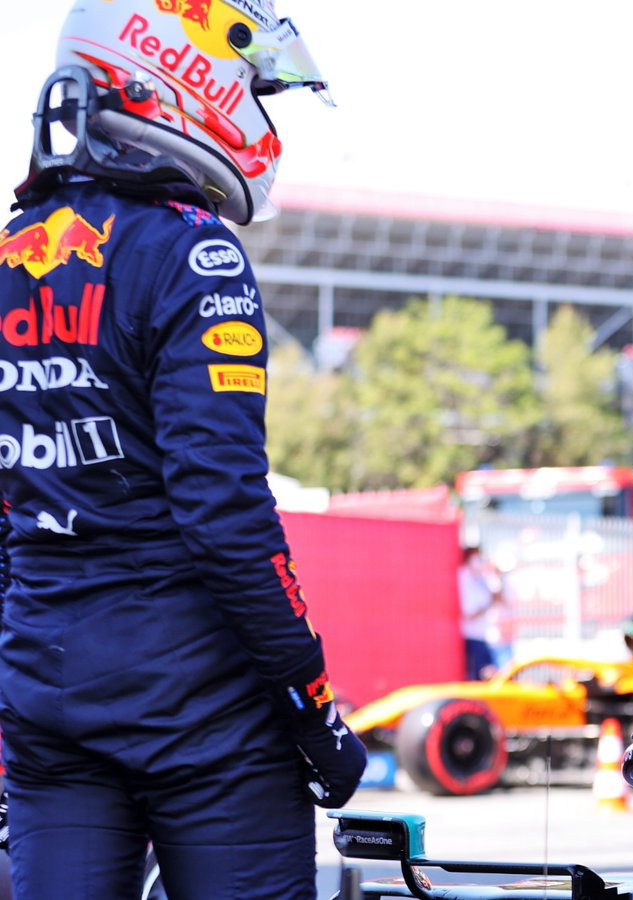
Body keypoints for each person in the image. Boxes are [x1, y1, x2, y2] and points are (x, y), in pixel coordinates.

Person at [0, 2, 366, 897]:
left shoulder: (9, 254)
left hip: (46, 704)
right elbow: (228, 519)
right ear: (179, 70)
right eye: (249, 83)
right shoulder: (194, 253)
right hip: (202, 717)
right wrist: (313, 705)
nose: (255, 108)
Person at [458, 544, 505, 679]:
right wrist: (489, 603)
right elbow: (470, 614)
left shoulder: (481, 579)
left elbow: (499, 598)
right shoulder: (464, 577)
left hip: (483, 636)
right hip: (471, 637)